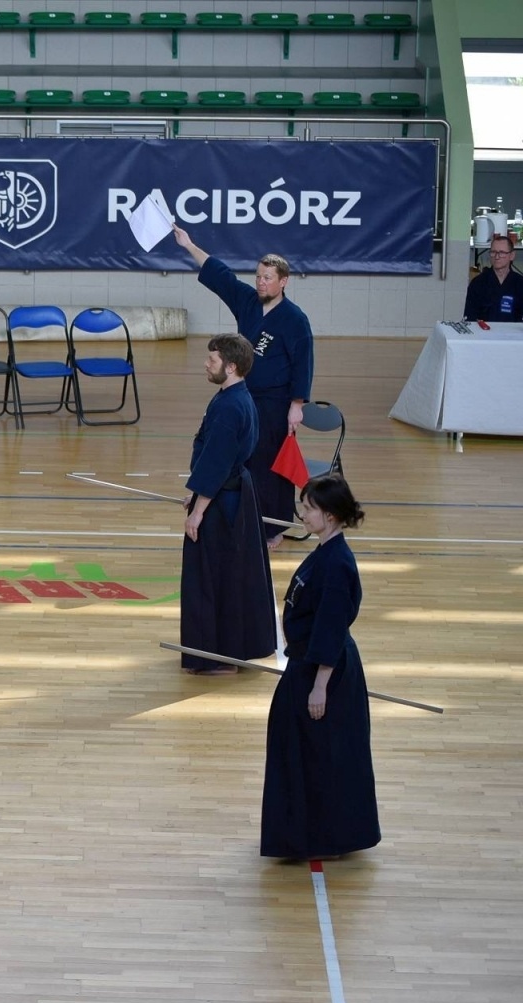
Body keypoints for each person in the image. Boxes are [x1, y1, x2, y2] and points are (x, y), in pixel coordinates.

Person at [261, 474, 380, 860]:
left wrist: (319, 686)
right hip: (307, 664)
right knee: (299, 750)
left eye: (309, 508)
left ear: (330, 515)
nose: (303, 513)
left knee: (321, 754)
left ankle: (323, 838)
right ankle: (301, 833)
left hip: (322, 671)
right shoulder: (325, 552)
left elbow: (330, 627)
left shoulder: (337, 565)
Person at [174, 226, 314, 549]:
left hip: (275, 402)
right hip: (243, 396)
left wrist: (297, 404)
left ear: (283, 281)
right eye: (259, 276)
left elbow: (303, 362)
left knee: (270, 464)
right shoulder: (248, 302)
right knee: (239, 460)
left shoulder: (295, 319)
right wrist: (189, 245)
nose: (261, 282)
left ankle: (273, 527)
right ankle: (238, 518)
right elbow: (221, 276)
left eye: (268, 278)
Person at [181, 334, 277, 675]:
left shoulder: (229, 407)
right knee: (229, 575)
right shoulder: (234, 397)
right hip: (230, 493)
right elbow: (214, 459)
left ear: (231, 366)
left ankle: (219, 657)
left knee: (216, 578)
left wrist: (198, 511)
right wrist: (196, 494)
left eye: (212, 360)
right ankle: (227, 652)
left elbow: (217, 463)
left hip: (224, 504)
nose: (206, 364)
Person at [463, 233, 523, 322]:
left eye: (502, 253)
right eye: (493, 252)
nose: (497, 257)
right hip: (484, 330)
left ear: (512, 255)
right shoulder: (478, 283)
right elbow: (470, 317)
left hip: (512, 330)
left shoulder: (520, 283)